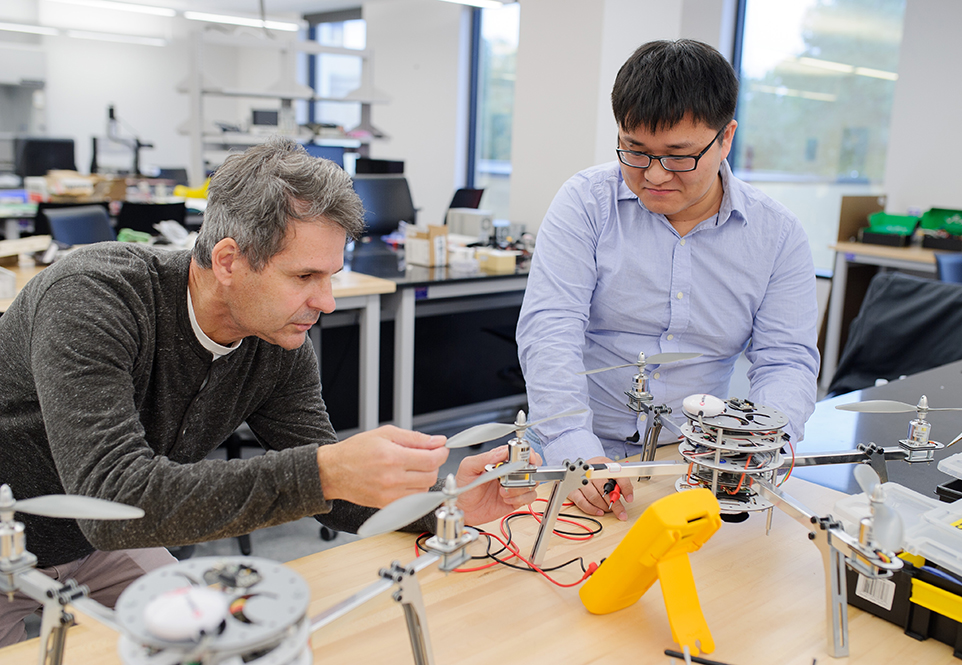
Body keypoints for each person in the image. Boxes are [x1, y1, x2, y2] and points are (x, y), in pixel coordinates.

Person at [0, 137, 538, 646]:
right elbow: (109, 497)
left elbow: (337, 493)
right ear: (229, 261)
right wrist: (325, 469)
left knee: (213, 646)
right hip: (20, 533)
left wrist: (448, 505)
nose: (326, 301)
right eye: (305, 276)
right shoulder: (92, 299)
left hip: (97, 544)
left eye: (331, 275)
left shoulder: (276, 345)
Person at [516, 39, 820, 521]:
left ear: (725, 138)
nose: (654, 175)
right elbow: (550, 330)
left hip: (696, 459)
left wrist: (761, 448)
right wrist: (574, 447)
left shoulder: (777, 235)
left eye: (679, 156)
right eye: (635, 151)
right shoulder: (585, 203)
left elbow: (786, 360)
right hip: (569, 443)